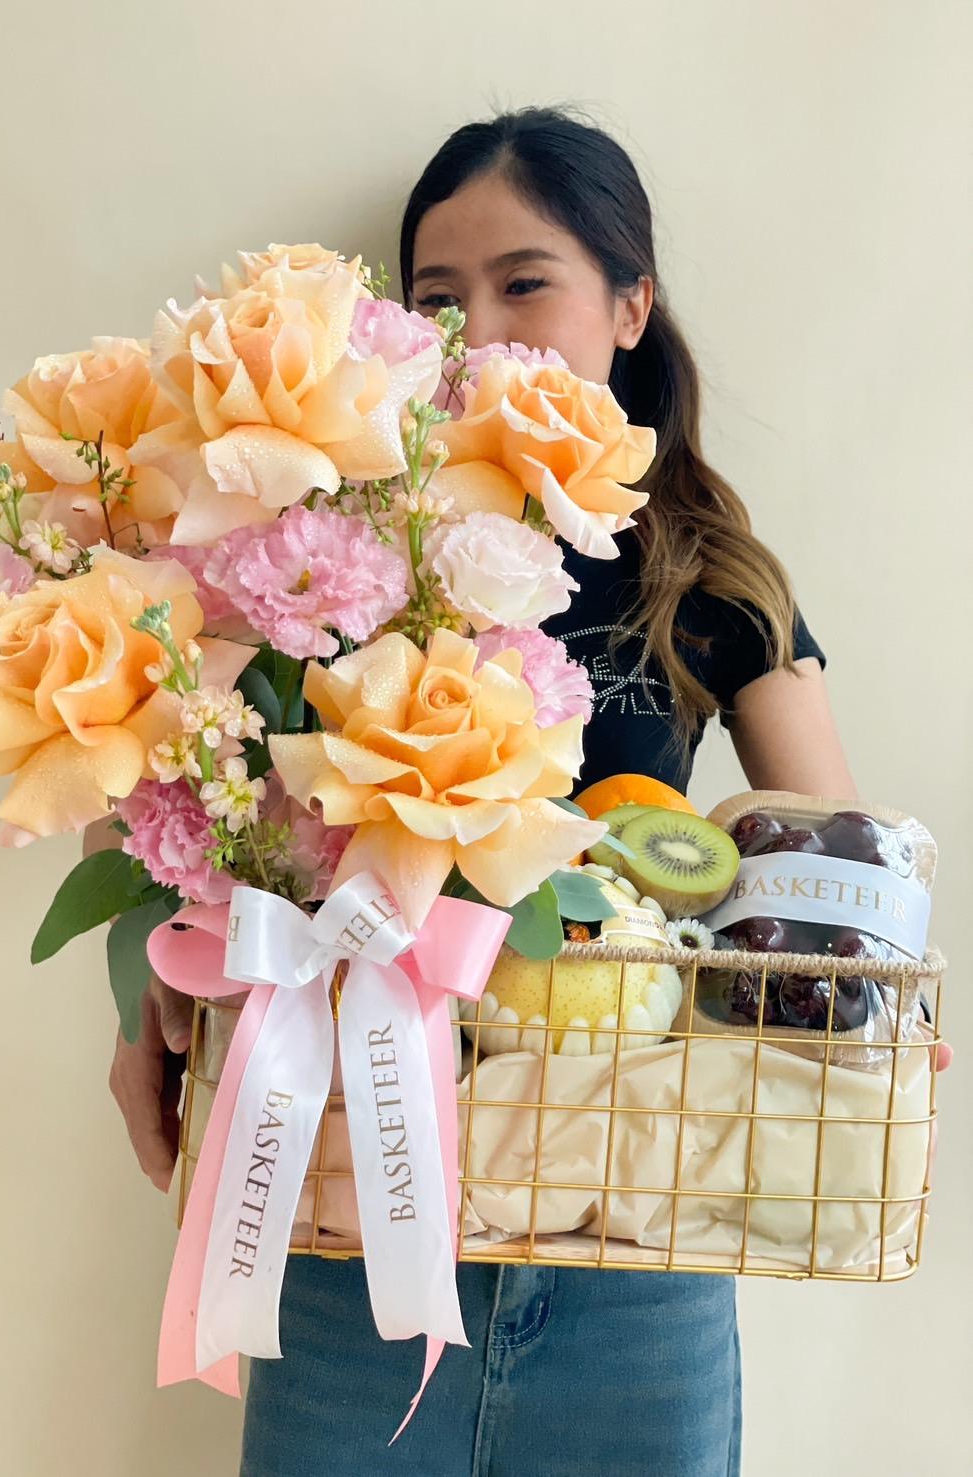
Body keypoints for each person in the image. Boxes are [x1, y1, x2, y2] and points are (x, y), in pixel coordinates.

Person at [105, 107, 880, 1474]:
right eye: (438, 298)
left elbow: (842, 885)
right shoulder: (334, 560)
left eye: (528, 281)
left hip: (635, 1245)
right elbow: (197, 819)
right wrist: (140, 1000)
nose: (484, 329)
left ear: (632, 302)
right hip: (351, 1228)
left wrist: (874, 1020)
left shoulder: (710, 571)